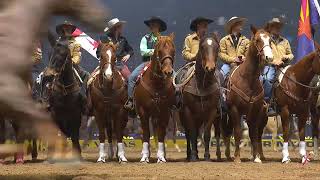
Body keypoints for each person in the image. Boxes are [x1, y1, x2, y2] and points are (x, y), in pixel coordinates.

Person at [124, 17, 167, 110]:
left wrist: (159, 52)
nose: (152, 27)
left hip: (162, 63)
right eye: (151, 25)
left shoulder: (164, 39)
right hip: (147, 62)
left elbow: (166, 51)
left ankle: (174, 101)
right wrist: (156, 51)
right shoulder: (145, 38)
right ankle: (131, 100)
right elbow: (143, 51)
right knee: (131, 78)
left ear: (159, 27)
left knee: (174, 77)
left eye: (154, 25)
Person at [263, 17, 294, 115]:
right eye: (275, 26)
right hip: (270, 66)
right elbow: (263, 55)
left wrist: (285, 57)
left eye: (279, 26)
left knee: (294, 80)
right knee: (267, 79)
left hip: (284, 66)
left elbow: (291, 54)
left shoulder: (284, 41)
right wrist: (273, 61)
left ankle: (294, 103)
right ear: (270, 27)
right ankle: (268, 103)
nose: (277, 28)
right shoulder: (266, 41)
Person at [56, 21, 90, 85]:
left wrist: (71, 62)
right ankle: (40, 91)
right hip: (57, 65)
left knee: (86, 75)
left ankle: (84, 93)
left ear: (71, 30)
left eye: (69, 28)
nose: (67, 30)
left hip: (71, 64)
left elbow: (77, 55)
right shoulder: (57, 43)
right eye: (65, 28)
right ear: (62, 29)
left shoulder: (76, 44)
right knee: (44, 76)